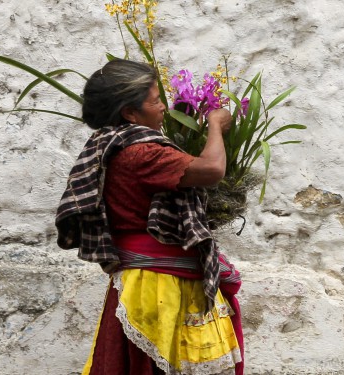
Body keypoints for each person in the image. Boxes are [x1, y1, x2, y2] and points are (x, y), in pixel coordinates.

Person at [55, 59, 245, 374]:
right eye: (155, 101)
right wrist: (214, 124)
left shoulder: (110, 143)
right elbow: (212, 169)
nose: (163, 108)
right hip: (160, 288)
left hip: (145, 280)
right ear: (130, 113)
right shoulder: (142, 154)